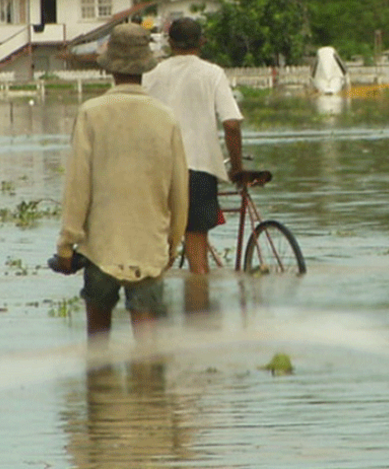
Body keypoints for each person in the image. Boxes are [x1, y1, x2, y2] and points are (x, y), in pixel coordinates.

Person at [51, 23, 188, 344]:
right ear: (145, 67)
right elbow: (179, 189)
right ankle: (149, 389)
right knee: (147, 342)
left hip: (101, 244)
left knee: (98, 339)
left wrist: (66, 244)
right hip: (149, 244)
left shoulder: (91, 113)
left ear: (110, 68)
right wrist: (173, 241)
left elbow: (77, 185)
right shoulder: (164, 117)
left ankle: (100, 389)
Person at [142, 18, 244, 277]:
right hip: (199, 169)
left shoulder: (151, 75)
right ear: (202, 42)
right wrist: (237, 167)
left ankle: (152, 313)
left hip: (159, 171)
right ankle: (200, 310)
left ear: (169, 42)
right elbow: (231, 124)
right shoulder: (212, 73)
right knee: (198, 261)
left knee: (156, 253)